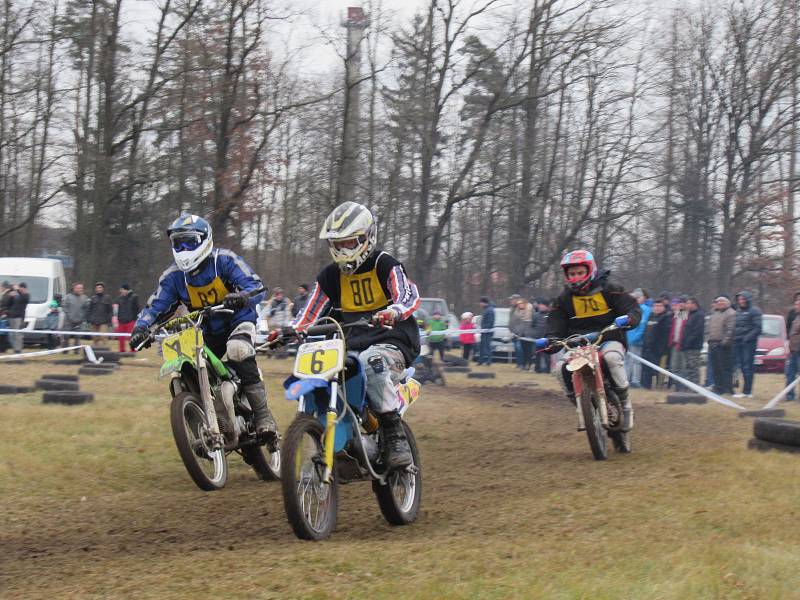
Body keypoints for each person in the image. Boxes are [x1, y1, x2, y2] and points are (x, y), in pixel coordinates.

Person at [285, 202, 420, 470]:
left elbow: (408, 295)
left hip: (392, 340)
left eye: (350, 243)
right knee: (321, 370)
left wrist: (394, 311)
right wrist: (292, 330)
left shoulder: (385, 264)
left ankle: (395, 437)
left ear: (367, 237)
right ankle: (334, 432)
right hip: (349, 343)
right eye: (338, 244)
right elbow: (310, 311)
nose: (344, 250)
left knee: (372, 362)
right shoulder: (330, 276)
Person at [130, 214, 277, 444]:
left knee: (238, 349)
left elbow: (256, 286)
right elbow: (156, 305)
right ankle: (203, 429)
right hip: (204, 330)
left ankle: (263, 417)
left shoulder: (225, 260)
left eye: (189, 242)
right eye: (178, 243)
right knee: (183, 369)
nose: (183, 248)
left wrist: (240, 296)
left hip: (237, 320)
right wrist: (141, 328)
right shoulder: (173, 277)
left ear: (205, 240)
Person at [544, 250, 640, 431]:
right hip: (577, 343)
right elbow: (556, 323)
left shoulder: (610, 289)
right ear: (566, 275)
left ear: (590, 270)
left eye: (580, 272)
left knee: (612, 358)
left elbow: (631, 308)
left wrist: (629, 318)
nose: (576, 277)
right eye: (572, 274)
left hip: (609, 337)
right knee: (559, 369)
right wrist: (551, 340)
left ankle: (626, 405)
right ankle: (582, 406)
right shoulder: (564, 299)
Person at [733, 290, 762, 399]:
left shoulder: (755, 311)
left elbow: (758, 328)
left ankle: (747, 391)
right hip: (738, 342)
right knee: (741, 367)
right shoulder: (738, 311)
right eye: (739, 299)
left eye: (743, 299)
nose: (741, 301)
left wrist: (747, 338)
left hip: (748, 343)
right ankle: (745, 391)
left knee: (747, 366)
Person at [707, 295, 736, 396]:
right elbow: (710, 328)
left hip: (723, 346)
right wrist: (709, 340)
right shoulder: (715, 313)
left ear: (727, 303)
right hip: (713, 344)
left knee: (725, 368)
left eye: (722, 302)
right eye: (718, 302)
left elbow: (730, 330)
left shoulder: (731, 313)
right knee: (716, 368)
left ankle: (727, 389)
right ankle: (718, 387)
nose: (719, 304)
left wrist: (724, 342)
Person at [641, 300, 671, 389]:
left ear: (663, 307)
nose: (657, 308)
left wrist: (661, 348)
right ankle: (646, 386)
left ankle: (659, 386)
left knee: (658, 370)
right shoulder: (651, 316)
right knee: (646, 369)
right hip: (647, 348)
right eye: (655, 305)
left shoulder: (666, 318)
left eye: (659, 305)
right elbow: (646, 331)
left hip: (659, 349)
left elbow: (665, 335)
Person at [625, 289, 652, 388]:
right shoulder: (632, 308)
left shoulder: (645, 309)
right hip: (627, 338)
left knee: (636, 360)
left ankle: (635, 380)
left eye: (638, 297)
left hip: (636, 340)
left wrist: (636, 338)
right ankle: (626, 378)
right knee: (627, 360)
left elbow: (642, 325)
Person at [679, 297, 705, 388]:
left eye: (688, 303)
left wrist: (688, 342)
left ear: (694, 304)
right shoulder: (687, 314)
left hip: (694, 346)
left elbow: (697, 331)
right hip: (686, 346)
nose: (686, 305)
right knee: (687, 367)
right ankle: (688, 386)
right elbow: (680, 325)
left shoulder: (699, 315)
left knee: (694, 367)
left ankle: (695, 387)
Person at [667, 297, 688, 389]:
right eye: (679, 303)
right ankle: (677, 385)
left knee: (683, 366)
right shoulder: (677, 314)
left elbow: (683, 329)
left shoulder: (687, 314)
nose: (681, 305)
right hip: (675, 344)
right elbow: (674, 329)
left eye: (683, 303)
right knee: (674, 366)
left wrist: (682, 341)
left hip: (683, 344)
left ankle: (682, 386)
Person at [62, 282, 89, 352]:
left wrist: (83, 317)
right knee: (66, 336)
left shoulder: (85, 298)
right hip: (68, 321)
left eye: (81, 288)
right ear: (74, 288)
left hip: (79, 321)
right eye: (79, 288)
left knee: (77, 336)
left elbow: (87, 308)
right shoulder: (67, 297)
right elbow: (64, 306)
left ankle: (76, 350)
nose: (80, 289)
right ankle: (65, 350)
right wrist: (69, 315)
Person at [510, 296, 534, 370]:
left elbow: (531, 322)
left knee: (529, 351)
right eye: (518, 304)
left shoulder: (530, 311)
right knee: (522, 350)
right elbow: (515, 322)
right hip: (520, 333)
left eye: (521, 304)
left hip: (529, 334)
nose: (519, 305)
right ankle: (523, 365)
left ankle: (529, 365)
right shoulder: (517, 312)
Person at [115, 284, 140, 353]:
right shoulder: (119, 298)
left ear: (126, 290)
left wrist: (134, 319)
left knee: (131, 337)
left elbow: (137, 309)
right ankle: (121, 350)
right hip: (121, 321)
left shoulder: (134, 297)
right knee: (121, 337)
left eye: (122, 289)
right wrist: (118, 318)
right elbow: (117, 309)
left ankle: (133, 350)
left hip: (130, 321)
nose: (121, 291)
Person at [6, 282, 30, 352]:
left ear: (24, 288)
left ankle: (18, 349)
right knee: (11, 334)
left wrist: (18, 290)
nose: (19, 289)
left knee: (17, 334)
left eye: (21, 288)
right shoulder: (16, 295)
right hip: (11, 316)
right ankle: (14, 348)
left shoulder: (26, 295)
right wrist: (10, 296)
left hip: (19, 317)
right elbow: (9, 304)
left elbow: (25, 300)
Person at [531, 298, 551, 373]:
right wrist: (534, 334)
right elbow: (532, 325)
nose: (540, 306)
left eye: (542, 305)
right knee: (537, 354)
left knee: (546, 355)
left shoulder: (550, 315)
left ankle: (547, 370)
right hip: (537, 338)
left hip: (547, 338)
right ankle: (537, 369)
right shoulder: (535, 315)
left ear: (546, 306)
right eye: (539, 305)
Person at [786, 295, 800, 401]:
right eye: (795, 304)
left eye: (798, 304)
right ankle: (790, 395)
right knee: (790, 374)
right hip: (793, 350)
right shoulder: (796, 317)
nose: (796, 306)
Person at [477, 297, 495, 366]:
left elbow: (490, 322)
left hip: (487, 332)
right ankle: (481, 361)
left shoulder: (490, 310)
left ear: (483, 303)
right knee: (482, 347)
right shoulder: (486, 309)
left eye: (480, 303)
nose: (480, 304)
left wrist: (484, 328)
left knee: (487, 347)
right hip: (484, 331)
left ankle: (488, 361)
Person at [0, 281, 12, 353]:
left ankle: (3, 348)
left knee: (3, 333)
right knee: (2, 333)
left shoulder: (7, 295)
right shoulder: (4, 294)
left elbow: (5, 306)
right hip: (3, 315)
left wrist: (3, 312)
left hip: (4, 316)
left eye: (1, 287)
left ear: (4, 287)